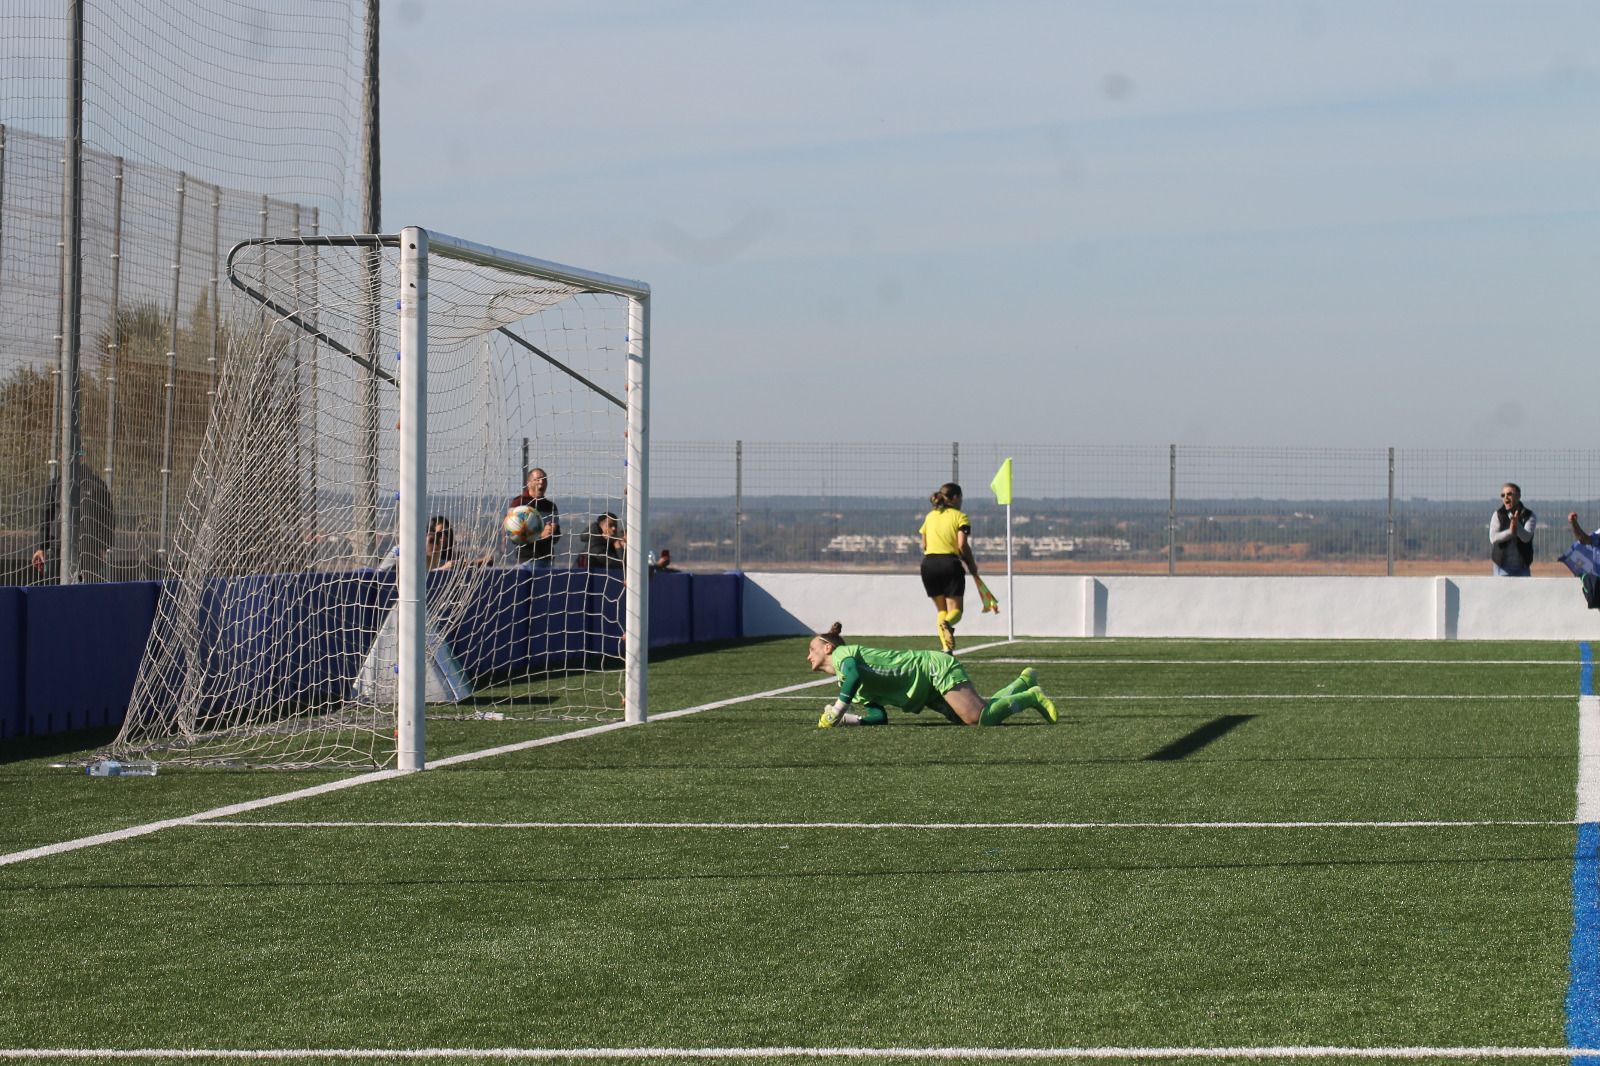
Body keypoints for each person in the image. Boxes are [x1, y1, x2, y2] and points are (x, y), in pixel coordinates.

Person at [806, 621, 1055, 728]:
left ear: (828, 647)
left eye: (811, 649)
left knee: (979, 719)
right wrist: (847, 720)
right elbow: (878, 715)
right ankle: (1022, 683)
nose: (808, 656)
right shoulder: (845, 681)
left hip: (931, 668)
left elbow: (853, 678)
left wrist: (836, 710)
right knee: (973, 716)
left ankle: (1032, 697)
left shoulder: (844, 655)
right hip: (924, 692)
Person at [919, 482, 984, 652]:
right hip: (949, 564)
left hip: (928, 565)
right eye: (961, 498)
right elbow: (962, 545)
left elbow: (924, 544)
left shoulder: (930, 516)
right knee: (956, 611)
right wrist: (971, 564)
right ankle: (948, 624)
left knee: (941, 609)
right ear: (955, 498)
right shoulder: (960, 516)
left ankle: (947, 648)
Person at [32, 461, 115, 583]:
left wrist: (104, 546)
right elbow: (46, 514)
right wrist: (42, 547)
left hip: (88, 547)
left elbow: (108, 517)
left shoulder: (97, 484)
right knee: (59, 586)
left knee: (81, 588)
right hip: (61, 546)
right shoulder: (57, 483)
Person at [505, 467, 560, 569]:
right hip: (526, 561)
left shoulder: (551, 506)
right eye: (538, 479)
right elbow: (512, 537)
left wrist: (553, 532)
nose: (541, 482)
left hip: (547, 561)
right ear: (529, 483)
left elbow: (556, 538)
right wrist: (539, 535)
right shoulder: (518, 503)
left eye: (544, 479)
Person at [1490, 483, 1536, 577]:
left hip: (1522, 568)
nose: (1506, 497)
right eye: (1503, 495)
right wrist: (1511, 532)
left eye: (1509, 494)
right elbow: (1493, 538)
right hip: (1501, 568)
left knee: (1525, 592)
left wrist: (1517, 526)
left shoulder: (1529, 515)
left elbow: (1526, 537)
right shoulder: (1498, 515)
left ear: (1518, 496)